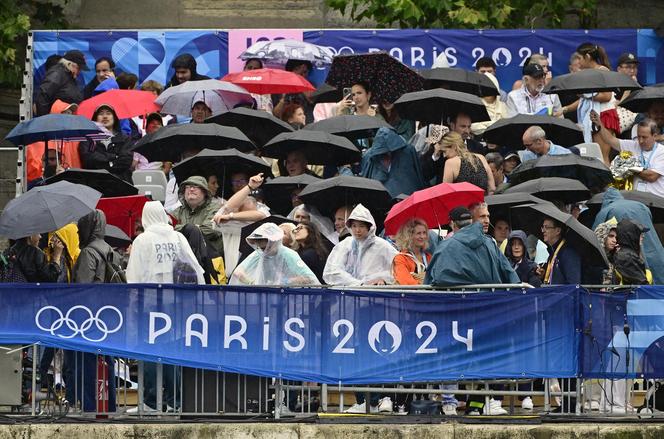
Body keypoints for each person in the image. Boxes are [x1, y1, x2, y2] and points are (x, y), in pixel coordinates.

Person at [71, 209, 117, 412]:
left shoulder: (88, 253)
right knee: (107, 363)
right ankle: (109, 405)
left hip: (89, 319)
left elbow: (81, 287)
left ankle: (90, 406)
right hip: (107, 316)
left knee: (88, 364)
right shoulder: (111, 251)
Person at [425, 207, 519, 286]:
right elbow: (511, 275)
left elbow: (432, 280)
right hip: (490, 302)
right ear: (471, 221)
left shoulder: (444, 247)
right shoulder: (490, 243)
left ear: (453, 224)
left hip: (457, 304)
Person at [126, 201, 204, 284]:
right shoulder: (178, 237)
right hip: (178, 293)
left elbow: (133, 275)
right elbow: (194, 266)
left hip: (151, 293)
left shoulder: (141, 240)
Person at [323, 204, 398, 286]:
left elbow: (398, 268)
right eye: (354, 226)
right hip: (347, 295)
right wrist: (357, 284)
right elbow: (331, 271)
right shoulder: (345, 244)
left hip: (373, 294)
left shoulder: (381, 245)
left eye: (361, 226)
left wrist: (384, 279)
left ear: (369, 227)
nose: (357, 230)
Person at [591, 114, 664, 197]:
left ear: (654, 136)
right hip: (637, 198)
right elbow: (610, 139)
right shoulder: (632, 145)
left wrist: (629, 166)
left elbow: (651, 176)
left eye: (644, 137)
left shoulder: (662, 152)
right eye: (638, 136)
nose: (640, 141)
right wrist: (599, 124)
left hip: (656, 201)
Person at [230, 222, 320, 286]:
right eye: (261, 248)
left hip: (286, 300)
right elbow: (238, 272)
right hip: (264, 297)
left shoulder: (288, 255)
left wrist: (284, 281)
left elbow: (308, 278)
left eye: (266, 247)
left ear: (274, 242)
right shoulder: (259, 253)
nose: (264, 251)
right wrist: (251, 282)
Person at [212, 173, 268, 273]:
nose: (249, 217)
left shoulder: (260, 222)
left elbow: (261, 215)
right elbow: (227, 207)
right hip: (231, 276)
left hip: (255, 276)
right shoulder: (225, 222)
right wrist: (249, 186)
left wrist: (231, 216)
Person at [27, 99, 82, 184]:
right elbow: (33, 171)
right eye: (65, 113)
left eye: (70, 114)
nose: (68, 117)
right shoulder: (40, 141)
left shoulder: (77, 140)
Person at [361, 127, 425, 198]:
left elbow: (418, 176)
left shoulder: (408, 151)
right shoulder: (369, 156)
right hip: (380, 203)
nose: (388, 155)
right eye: (384, 153)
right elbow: (366, 181)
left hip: (406, 199)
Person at [79, 104, 134, 182]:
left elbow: (126, 161)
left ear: (114, 117)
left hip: (121, 182)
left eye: (108, 113)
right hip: (95, 183)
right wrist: (113, 157)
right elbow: (88, 160)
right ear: (95, 118)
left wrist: (101, 162)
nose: (105, 116)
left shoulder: (125, 138)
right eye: (101, 114)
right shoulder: (88, 138)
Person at [172, 176, 223, 254]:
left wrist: (184, 229)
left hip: (208, 258)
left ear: (205, 192)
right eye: (188, 187)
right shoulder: (178, 211)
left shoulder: (215, 208)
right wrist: (194, 228)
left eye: (196, 186)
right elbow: (168, 228)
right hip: (183, 255)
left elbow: (211, 230)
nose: (191, 189)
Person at [35, 50, 88, 116]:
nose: (79, 71)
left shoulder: (69, 76)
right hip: (55, 121)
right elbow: (43, 96)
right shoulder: (57, 74)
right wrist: (45, 120)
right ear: (70, 64)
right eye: (79, 68)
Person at [539, 216, 582, 285]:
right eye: (543, 227)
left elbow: (573, 284)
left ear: (558, 231)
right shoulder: (553, 251)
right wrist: (543, 275)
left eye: (546, 227)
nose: (543, 230)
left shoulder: (568, 253)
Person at [392, 218, 431, 285]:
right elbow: (405, 281)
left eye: (424, 233)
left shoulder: (429, 257)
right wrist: (425, 285)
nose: (422, 236)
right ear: (409, 236)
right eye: (418, 233)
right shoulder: (400, 258)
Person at [614, 219, 651, 285]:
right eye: (640, 233)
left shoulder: (627, 254)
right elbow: (641, 283)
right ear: (632, 235)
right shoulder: (627, 257)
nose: (643, 236)